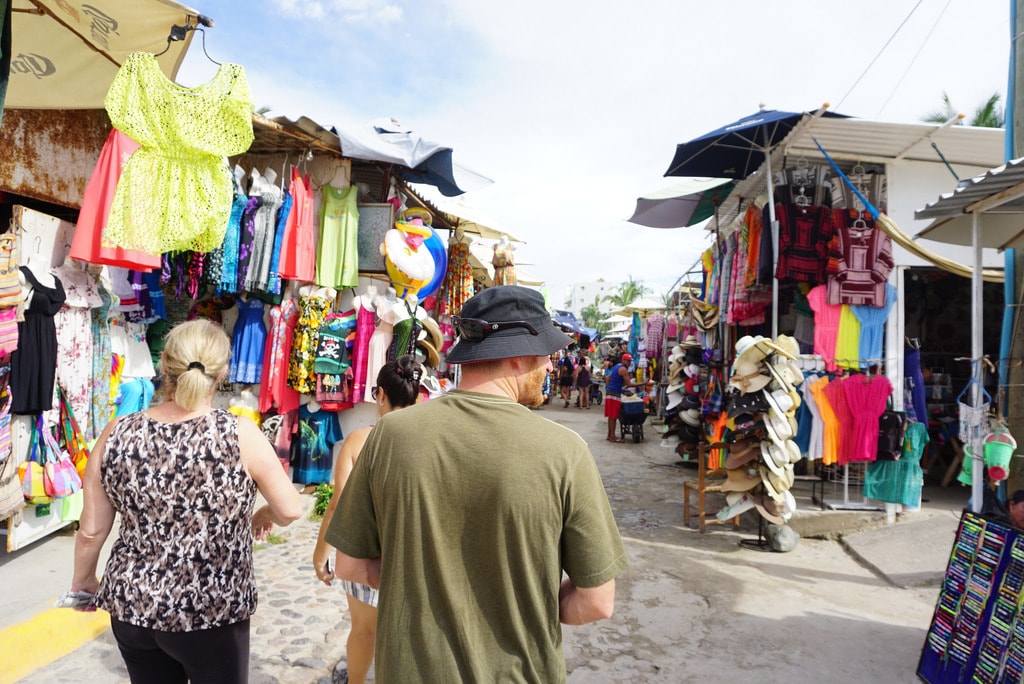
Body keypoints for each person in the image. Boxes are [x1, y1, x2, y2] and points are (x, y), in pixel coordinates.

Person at [326, 285, 629, 682]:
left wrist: (419, 586)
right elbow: (596, 602)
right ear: (518, 356)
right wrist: (522, 603)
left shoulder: (390, 434)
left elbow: (350, 564)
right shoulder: (566, 452)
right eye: (546, 354)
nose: (550, 366)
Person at [70, 319, 302, 683]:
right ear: (222, 372)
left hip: (134, 607)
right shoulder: (239, 434)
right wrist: (263, 514)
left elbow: (90, 531)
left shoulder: (117, 432)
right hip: (212, 610)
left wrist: (83, 581)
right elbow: (290, 509)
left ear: (164, 364)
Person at [312, 355, 422, 684]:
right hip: (413, 553)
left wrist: (320, 555)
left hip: (366, 553)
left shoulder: (359, 440)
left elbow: (339, 504)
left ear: (381, 395)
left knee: (364, 630)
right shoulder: (429, 439)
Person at [605, 352, 642, 442]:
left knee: (611, 416)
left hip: (610, 392)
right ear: (623, 360)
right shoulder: (623, 369)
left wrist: (611, 386)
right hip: (615, 394)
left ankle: (610, 435)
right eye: (628, 361)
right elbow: (629, 384)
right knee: (613, 416)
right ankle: (613, 437)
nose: (629, 363)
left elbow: (607, 378)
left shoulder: (616, 366)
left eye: (630, 361)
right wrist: (643, 383)